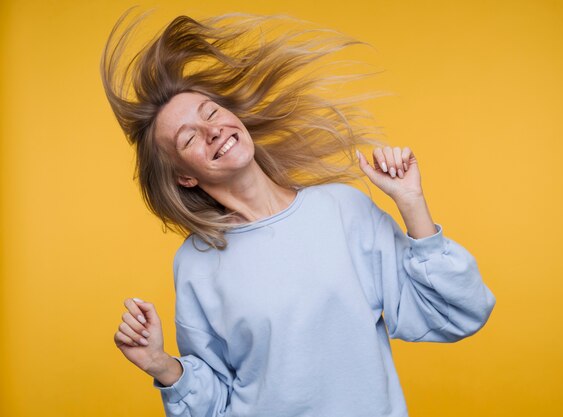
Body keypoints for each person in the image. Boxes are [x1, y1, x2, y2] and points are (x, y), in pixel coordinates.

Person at [102, 7, 496, 417]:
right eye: (189, 138)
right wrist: (162, 365)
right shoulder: (196, 264)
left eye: (212, 113)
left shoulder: (343, 209)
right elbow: (216, 403)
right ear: (184, 177)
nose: (212, 130)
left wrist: (411, 203)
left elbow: (458, 313)